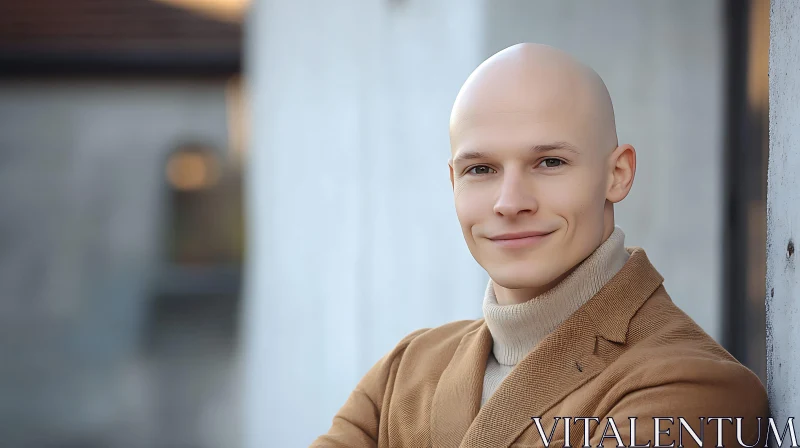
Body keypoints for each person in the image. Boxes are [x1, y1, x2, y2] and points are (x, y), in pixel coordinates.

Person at [310, 43, 768, 448]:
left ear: (617, 174)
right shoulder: (404, 371)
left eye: (550, 162)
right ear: (453, 182)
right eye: (480, 169)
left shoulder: (695, 388)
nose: (510, 203)